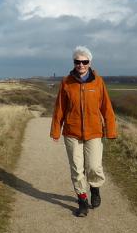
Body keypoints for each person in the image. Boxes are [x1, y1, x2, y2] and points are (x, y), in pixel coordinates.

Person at [50, 45, 117, 217]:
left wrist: (110, 130)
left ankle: (95, 189)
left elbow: (106, 107)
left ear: (89, 62)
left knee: (94, 166)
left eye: (84, 61)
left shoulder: (98, 81)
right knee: (77, 169)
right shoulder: (66, 82)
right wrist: (56, 131)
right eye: (77, 61)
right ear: (73, 62)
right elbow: (59, 109)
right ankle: (82, 201)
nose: (81, 65)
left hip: (94, 132)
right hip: (72, 132)